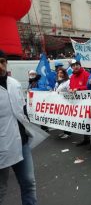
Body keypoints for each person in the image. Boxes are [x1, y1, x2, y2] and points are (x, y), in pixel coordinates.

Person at [0, 51, 37, 205]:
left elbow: (22, 109)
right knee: (1, 190)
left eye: (2, 61)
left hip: (21, 143)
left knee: (29, 183)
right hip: (2, 146)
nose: (0, 66)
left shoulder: (14, 83)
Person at [68, 59, 91, 148]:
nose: (75, 67)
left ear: (80, 65)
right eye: (73, 66)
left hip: (87, 102)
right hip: (77, 102)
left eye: (76, 65)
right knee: (82, 121)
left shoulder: (86, 74)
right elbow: (71, 87)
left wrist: (78, 89)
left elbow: (89, 87)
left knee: (90, 121)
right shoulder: (72, 77)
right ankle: (86, 139)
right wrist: (70, 90)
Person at [54, 68, 71, 139]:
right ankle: (64, 131)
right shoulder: (57, 82)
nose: (59, 74)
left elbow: (69, 90)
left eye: (61, 73)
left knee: (67, 118)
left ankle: (68, 133)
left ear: (64, 74)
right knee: (62, 118)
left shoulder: (68, 81)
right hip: (59, 103)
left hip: (66, 103)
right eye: (58, 73)